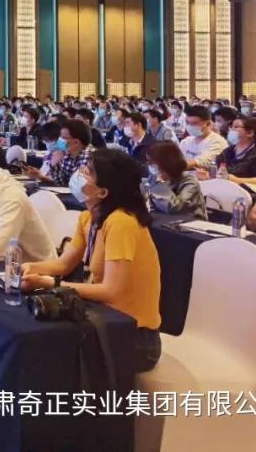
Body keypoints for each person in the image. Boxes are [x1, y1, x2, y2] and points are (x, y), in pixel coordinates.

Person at [21, 149, 162, 373]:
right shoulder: (88, 218)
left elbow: (111, 291)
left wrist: (50, 283)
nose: (79, 174)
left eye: (88, 172)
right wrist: (28, 267)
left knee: (44, 355)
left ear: (103, 191)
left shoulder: (122, 222)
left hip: (134, 337)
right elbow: (63, 265)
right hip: (104, 321)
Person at [146, 141, 207, 219]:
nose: (149, 164)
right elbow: (148, 204)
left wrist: (161, 184)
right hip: (162, 220)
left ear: (165, 162)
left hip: (189, 222)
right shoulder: (153, 178)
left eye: (151, 162)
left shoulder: (189, 182)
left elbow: (175, 208)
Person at [25, 119, 93, 187]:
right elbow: (61, 182)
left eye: (63, 137)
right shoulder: (66, 154)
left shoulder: (89, 159)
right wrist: (53, 166)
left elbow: (76, 187)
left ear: (76, 142)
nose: (59, 140)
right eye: (60, 136)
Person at [216, 116, 256, 187]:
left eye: (236, 127)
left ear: (250, 133)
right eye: (231, 127)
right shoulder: (227, 152)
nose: (231, 130)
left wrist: (235, 179)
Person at [178, 105, 228, 171]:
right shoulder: (186, 141)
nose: (189, 126)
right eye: (187, 123)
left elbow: (201, 162)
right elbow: (176, 159)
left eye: (194, 123)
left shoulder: (217, 142)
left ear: (208, 124)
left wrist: (176, 167)